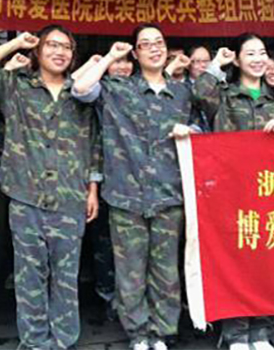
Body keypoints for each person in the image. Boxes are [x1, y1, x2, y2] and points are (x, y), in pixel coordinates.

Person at [0, 25, 100, 350]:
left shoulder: (81, 91)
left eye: (66, 47)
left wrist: (93, 189)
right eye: (51, 45)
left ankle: (64, 341)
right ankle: (34, 342)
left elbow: (93, 141)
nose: (59, 52)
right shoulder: (15, 86)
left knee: (66, 277)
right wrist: (15, 42)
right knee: (29, 276)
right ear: (38, 52)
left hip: (70, 197)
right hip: (26, 197)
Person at [72, 24, 198, 350]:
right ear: (136, 53)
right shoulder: (117, 88)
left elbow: (203, 127)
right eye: (145, 44)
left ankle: (162, 332)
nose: (154, 48)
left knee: (166, 270)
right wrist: (109, 57)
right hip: (126, 197)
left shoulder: (183, 92)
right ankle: (139, 334)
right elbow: (80, 89)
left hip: (169, 195)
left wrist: (192, 131)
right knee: (130, 271)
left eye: (159, 42)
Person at [193, 34, 274, 350]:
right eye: (250, 53)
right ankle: (236, 332)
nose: (258, 59)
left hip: (271, 191)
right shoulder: (224, 95)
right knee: (235, 263)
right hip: (231, 193)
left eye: (262, 53)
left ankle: (262, 330)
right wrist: (216, 64)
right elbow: (198, 93)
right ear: (237, 59)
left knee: (268, 262)